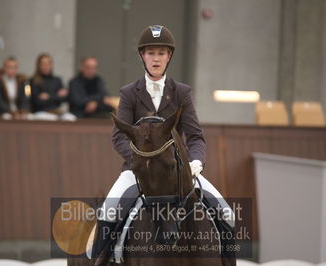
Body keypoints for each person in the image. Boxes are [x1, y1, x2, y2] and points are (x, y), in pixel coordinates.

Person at [91, 25, 234, 265]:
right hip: (137, 170)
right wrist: (141, 159)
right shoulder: (129, 93)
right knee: (108, 212)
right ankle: (100, 261)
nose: (155, 58)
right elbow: (118, 136)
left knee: (227, 214)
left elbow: (195, 136)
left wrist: (196, 161)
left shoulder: (181, 92)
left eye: (161, 53)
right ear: (142, 56)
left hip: (178, 170)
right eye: (150, 53)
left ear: (169, 57)